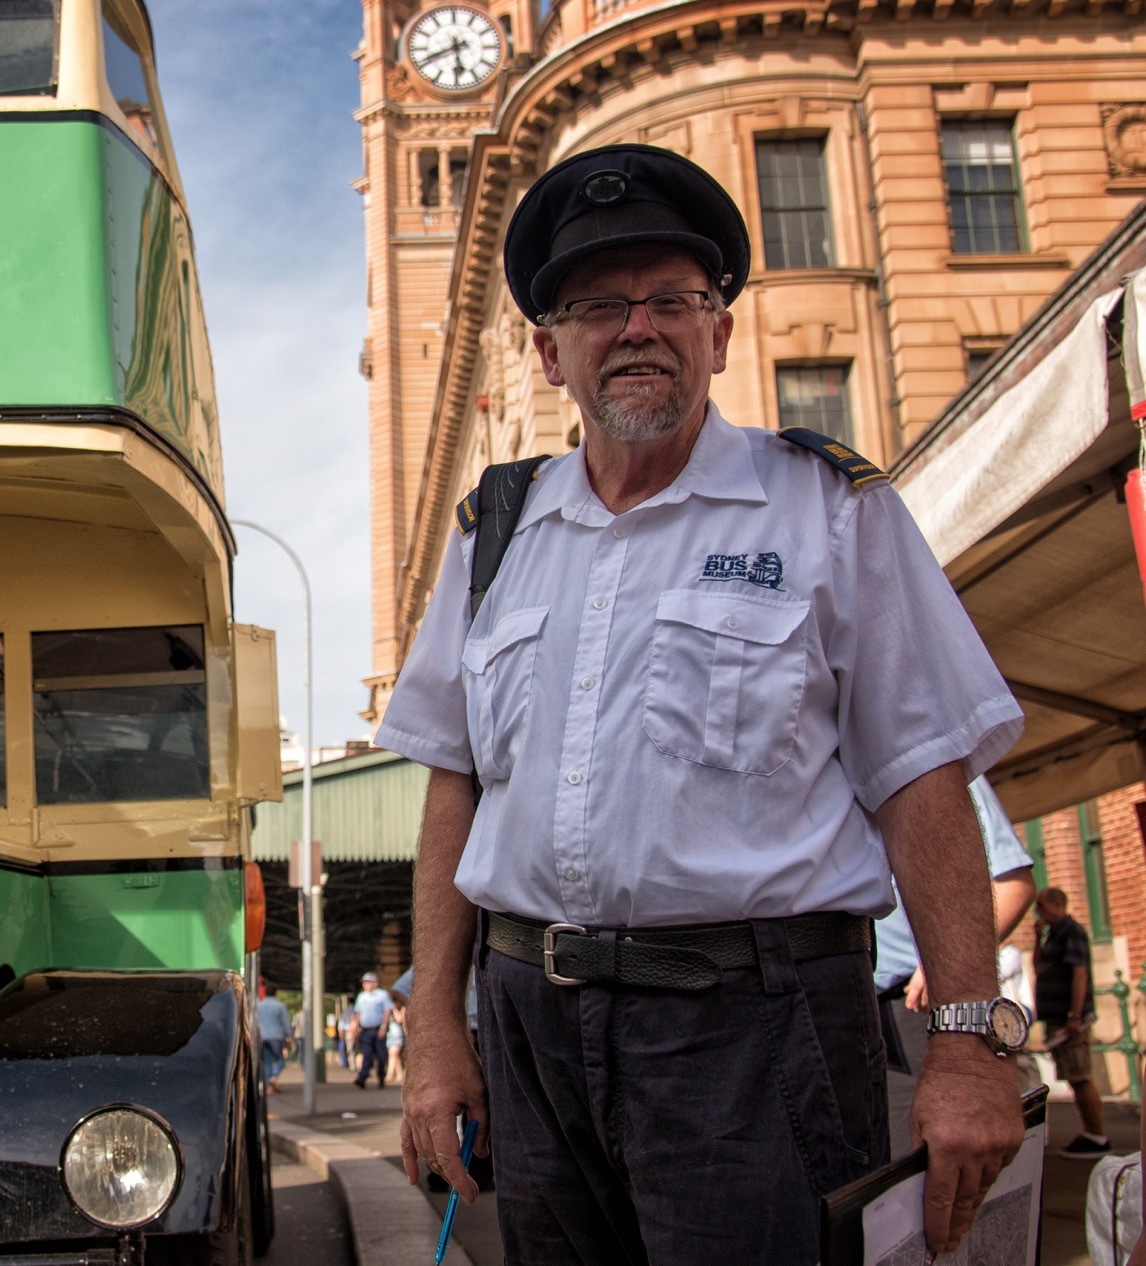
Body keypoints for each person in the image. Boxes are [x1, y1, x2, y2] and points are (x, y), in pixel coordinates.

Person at [375, 142, 1027, 1263]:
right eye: (599, 306)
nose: (638, 329)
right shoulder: (494, 537)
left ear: (718, 333)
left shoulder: (829, 509)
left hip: (756, 1035)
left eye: (671, 300)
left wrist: (970, 1045)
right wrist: (436, 1025)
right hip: (531, 1025)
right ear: (550, 351)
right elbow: (455, 785)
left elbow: (923, 775)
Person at [874, 775, 1037, 1156]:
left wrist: (944, 967)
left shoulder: (938, 767)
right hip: (842, 1004)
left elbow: (1014, 884)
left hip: (915, 1003)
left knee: (921, 1157)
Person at [1036, 887, 1108, 1157]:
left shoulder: (1071, 931)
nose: (1039, 912)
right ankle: (1091, 1132)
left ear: (1057, 904)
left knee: (1080, 1076)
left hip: (1069, 1019)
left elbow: (1079, 973)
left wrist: (1074, 1015)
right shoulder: (1054, 933)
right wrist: (1037, 938)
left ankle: (1097, 1135)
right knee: (1073, 1077)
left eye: (1042, 906)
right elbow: (1039, 967)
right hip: (1056, 1017)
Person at [352, 971, 395, 1088]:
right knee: (366, 1054)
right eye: (364, 982)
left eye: (368, 982)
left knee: (381, 1055)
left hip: (378, 1030)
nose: (365, 985)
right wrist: (355, 1028)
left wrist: (383, 1027)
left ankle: (381, 1076)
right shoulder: (361, 997)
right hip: (365, 1030)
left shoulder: (382, 995)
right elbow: (358, 1013)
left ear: (375, 983)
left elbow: (387, 1011)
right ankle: (362, 1077)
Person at [256, 981, 292, 1094]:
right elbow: (285, 1022)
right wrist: (288, 1035)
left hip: (262, 1036)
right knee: (280, 1059)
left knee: (267, 1061)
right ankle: (273, 1077)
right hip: (276, 1036)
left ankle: (267, 1085)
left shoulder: (259, 1005)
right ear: (276, 993)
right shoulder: (280, 1006)